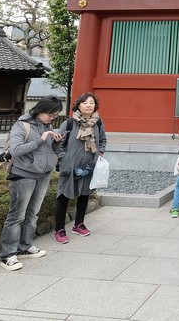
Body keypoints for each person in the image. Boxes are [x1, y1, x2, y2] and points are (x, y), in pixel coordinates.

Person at [0, 95, 64, 271]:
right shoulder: (22, 125)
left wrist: (56, 143)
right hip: (23, 175)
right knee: (17, 215)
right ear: (41, 110)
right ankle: (7, 255)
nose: (52, 118)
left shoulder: (47, 126)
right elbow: (16, 150)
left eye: (55, 116)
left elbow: (50, 150)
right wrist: (40, 140)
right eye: (51, 114)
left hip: (43, 174)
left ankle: (25, 246)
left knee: (33, 213)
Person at [52, 92, 107, 244]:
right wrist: (64, 159)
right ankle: (60, 229)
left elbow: (102, 140)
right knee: (63, 196)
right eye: (85, 103)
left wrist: (99, 153)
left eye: (91, 103)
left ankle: (79, 224)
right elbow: (58, 144)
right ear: (78, 106)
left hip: (89, 164)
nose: (89, 105)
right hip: (69, 166)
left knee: (84, 194)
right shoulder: (69, 123)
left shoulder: (98, 122)